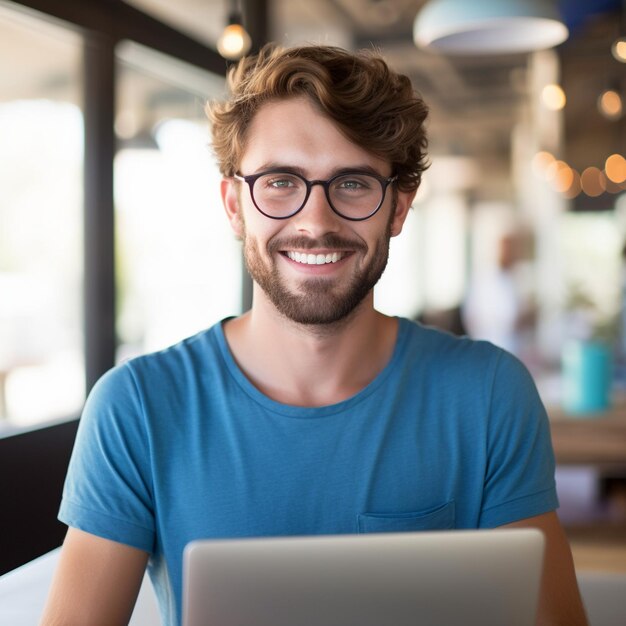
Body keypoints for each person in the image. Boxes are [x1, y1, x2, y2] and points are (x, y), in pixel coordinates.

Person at [41, 44, 587, 626]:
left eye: (352, 183)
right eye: (280, 181)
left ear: (398, 208)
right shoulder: (138, 408)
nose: (315, 221)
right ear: (234, 206)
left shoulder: (488, 394)